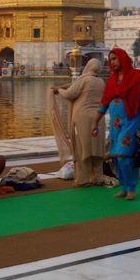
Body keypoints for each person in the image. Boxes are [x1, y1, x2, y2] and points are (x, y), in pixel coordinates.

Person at [92, 48, 140, 200]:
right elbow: (104, 103)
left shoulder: (138, 77)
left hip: (132, 122)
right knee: (116, 157)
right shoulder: (111, 80)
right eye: (110, 59)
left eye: (115, 58)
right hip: (115, 125)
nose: (112, 62)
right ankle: (124, 186)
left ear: (123, 58)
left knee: (125, 155)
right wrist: (95, 121)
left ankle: (131, 187)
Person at [53, 59, 110, 187]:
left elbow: (70, 94)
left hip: (83, 117)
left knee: (82, 147)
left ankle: (83, 179)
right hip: (98, 118)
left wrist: (59, 90)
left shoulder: (84, 80)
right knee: (97, 147)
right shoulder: (101, 82)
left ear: (88, 67)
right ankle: (98, 177)